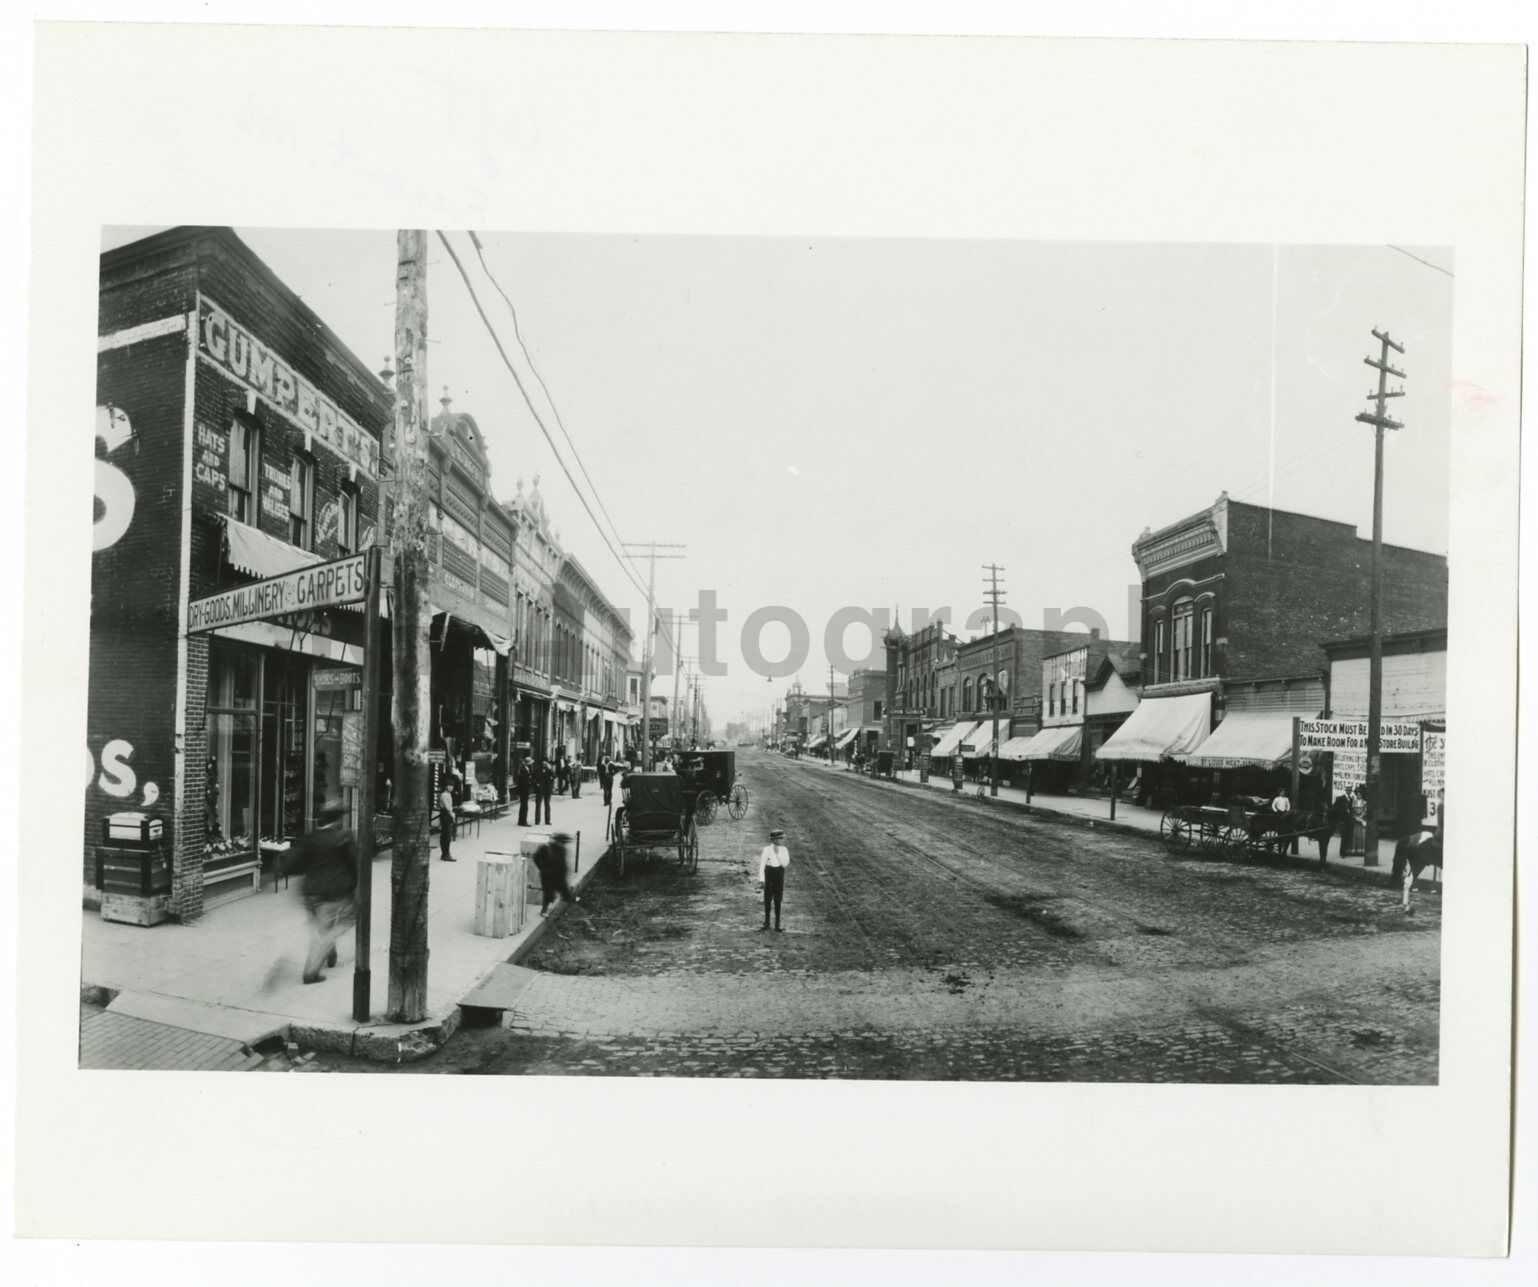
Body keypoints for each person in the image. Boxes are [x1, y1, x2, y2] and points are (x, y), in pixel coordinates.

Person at [282, 800, 359, 984]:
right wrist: (354, 885)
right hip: (332, 893)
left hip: (310, 892)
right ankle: (311, 971)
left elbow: (297, 863)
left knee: (322, 927)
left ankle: (329, 951)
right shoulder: (343, 837)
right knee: (346, 922)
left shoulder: (312, 837)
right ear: (339, 819)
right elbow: (354, 864)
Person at [532, 831, 579, 916]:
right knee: (548, 893)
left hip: (559, 875)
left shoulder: (562, 849)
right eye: (562, 842)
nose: (562, 844)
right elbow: (536, 858)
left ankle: (573, 910)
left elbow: (563, 863)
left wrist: (565, 873)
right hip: (547, 876)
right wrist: (542, 868)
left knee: (566, 893)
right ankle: (544, 910)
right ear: (556, 841)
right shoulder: (545, 848)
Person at [757, 827, 791, 932]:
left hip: (779, 873)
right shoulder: (766, 850)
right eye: (778, 839)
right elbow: (762, 865)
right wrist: (761, 879)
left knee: (778, 899)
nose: (780, 841)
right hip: (769, 873)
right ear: (773, 840)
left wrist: (778, 854)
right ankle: (766, 922)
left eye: (781, 839)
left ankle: (777, 923)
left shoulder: (784, 850)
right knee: (767, 899)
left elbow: (785, 863)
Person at [438, 775, 457, 862]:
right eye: (449, 785)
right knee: (447, 835)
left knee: (445, 834)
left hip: (445, 814)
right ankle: (446, 854)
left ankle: (445, 853)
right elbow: (447, 807)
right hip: (445, 814)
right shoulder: (445, 795)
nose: (451, 787)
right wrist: (452, 815)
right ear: (446, 786)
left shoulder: (448, 794)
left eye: (452, 786)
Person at [535, 755, 555, 826]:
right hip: (540, 789)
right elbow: (534, 778)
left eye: (546, 762)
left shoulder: (549, 769)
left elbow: (554, 775)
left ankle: (547, 820)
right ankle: (537, 820)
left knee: (547, 805)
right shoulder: (537, 769)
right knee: (538, 805)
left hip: (547, 789)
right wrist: (537, 784)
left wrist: (550, 769)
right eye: (544, 761)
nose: (544, 763)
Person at [515, 753, 533, 827]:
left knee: (524, 806)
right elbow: (523, 781)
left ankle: (521, 820)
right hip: (523, 791)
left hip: (524, 790)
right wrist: (529, 781)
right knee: (524, 806)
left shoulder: (526, 768)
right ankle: (523, 821)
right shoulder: (523, 769)